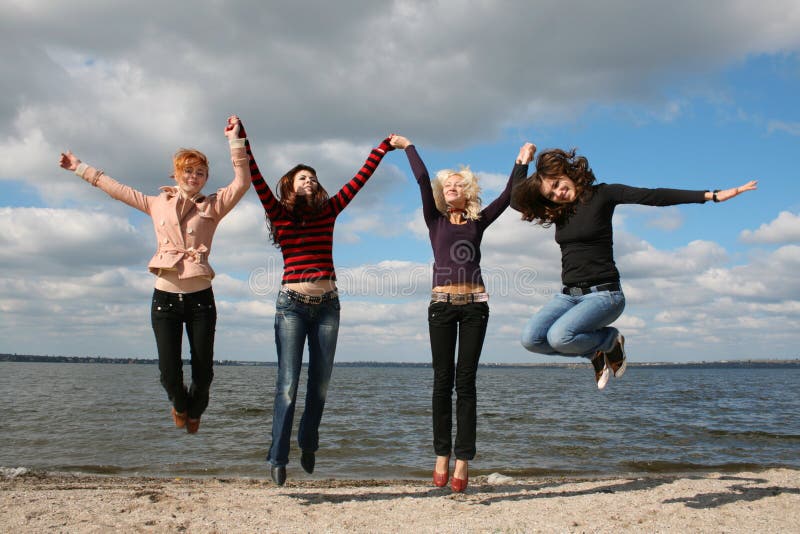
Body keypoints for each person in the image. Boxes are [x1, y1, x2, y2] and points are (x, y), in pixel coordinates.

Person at [58, 116, 252, 433]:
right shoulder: (156, 204)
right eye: (188, 170)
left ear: (205, 178)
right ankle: (178, 404)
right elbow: (117, 190)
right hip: (165, 298)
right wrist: (80, 167)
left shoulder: (213, 206)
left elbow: (242, 182)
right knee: (168, 373)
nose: (194, 176)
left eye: (200, 172)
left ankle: (195, 409)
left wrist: (235, 141)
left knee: (204, 375)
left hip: (201, 299)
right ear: (175, 174)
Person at [510, 147, 758, 389]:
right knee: (531, 339)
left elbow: (653, 196)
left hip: (604, 295)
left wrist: (711, 195)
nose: (558, 194)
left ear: (565, 172)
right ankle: (595, 352)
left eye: (556, 185)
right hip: (568, 296)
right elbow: (515, 201)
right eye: (551, 195)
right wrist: (521, 163)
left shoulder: (603, 194)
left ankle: (610, 340)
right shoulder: (559, 212)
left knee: (559, 337)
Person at [241, 123, 395, 486]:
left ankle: (308, 443)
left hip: (328, 305)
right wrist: (241, 139)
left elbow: (360, 179)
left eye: (312, 177)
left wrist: (383, 148)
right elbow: (255, 175)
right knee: (288, 383)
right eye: (302, 178)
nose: (309, 181)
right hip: (291, 306)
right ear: (290, 186)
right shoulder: (279, 213)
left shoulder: (329, 211)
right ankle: (278, 457)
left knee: (320, 384)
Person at [390, 135, 535, 492]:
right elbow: (423, 180)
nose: (451, 188)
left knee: (465, 383)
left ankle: (463, 459)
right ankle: (441, 454)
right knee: (442, 382)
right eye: (448, 185)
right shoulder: (433, 219)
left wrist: (521, 162)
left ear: (467, 192)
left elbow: (507, 195)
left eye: (459, 185)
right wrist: (409, 146)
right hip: (440, 307)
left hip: (475, 308)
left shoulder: (478, 221)